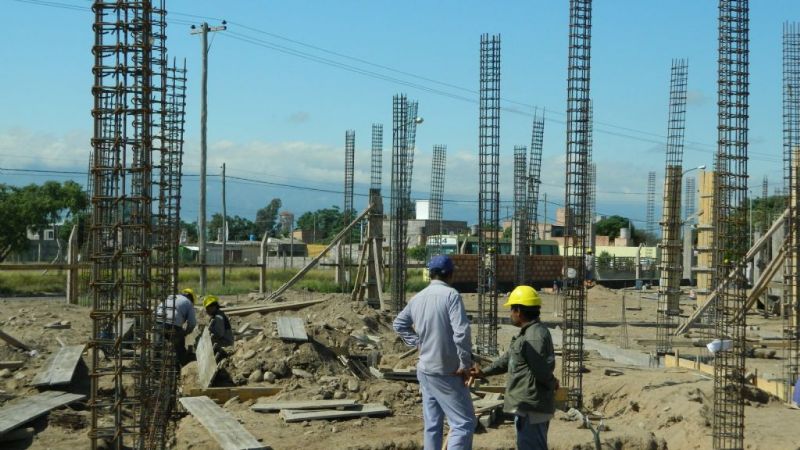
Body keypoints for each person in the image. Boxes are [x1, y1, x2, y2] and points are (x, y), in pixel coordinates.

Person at [393, 255, 475, 450]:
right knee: (463, 424)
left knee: (432, 425)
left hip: (425, 370)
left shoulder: (418, 297)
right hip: (446, 371)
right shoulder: (451, 296)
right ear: (450, 274)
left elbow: (399, 324)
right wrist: (465, 364)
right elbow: (461, 332)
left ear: (430, 274)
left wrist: (418, 343)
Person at [470, 286, 557, 450]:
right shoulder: (526, 334)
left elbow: (541, 370)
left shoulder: (534, 337)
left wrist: (552, 383)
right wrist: (483, 372)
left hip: (532, 407)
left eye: (511, 309)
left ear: (519, 310)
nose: (510, 313)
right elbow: (507, 360)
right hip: (526, 407)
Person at [155, 287, 198, 366]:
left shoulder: (170, 297)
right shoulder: (188, 303)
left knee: (158, 345)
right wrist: (185, 332)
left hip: (159, 321)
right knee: (179, 348)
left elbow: (158, 309)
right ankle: (183, 366)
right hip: (174, 324)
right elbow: (192, 323)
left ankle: (155, 365)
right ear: (191, 298)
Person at [202, 294, 234, 359]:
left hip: (226, 342)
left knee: (208, 343)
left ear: (213, 307)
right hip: (224, 340)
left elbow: (219, 334)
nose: (206, 311)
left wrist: (210, 330)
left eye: (207, 308)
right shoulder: (216, 314)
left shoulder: (218, 317)